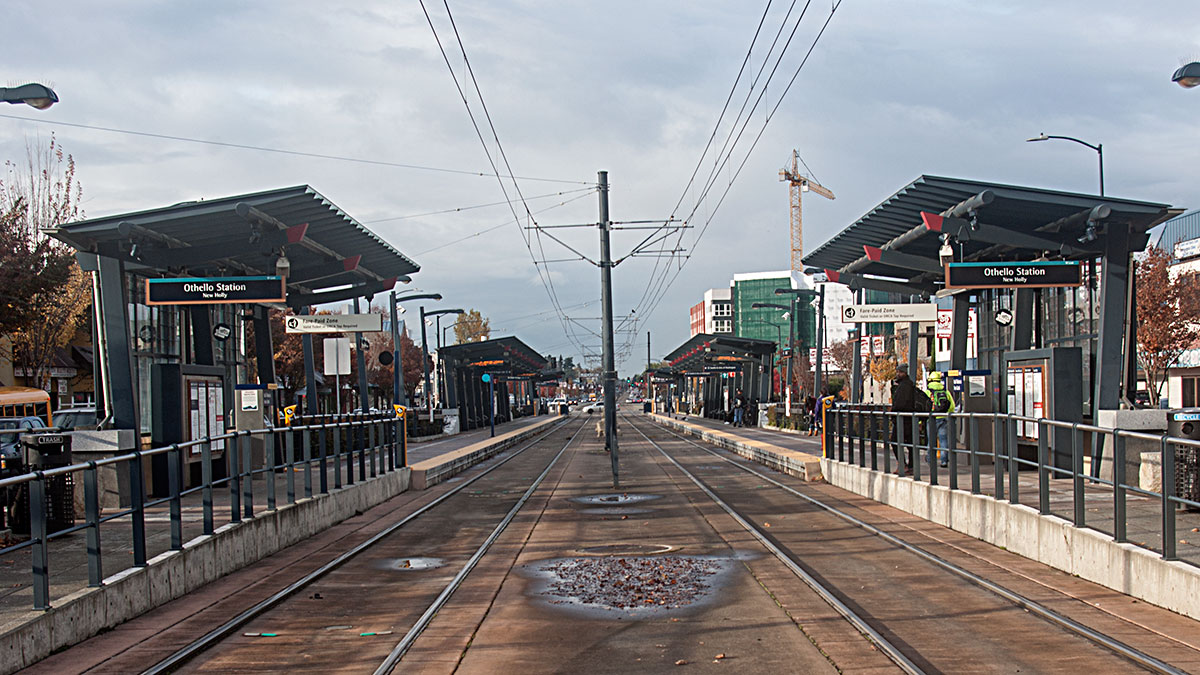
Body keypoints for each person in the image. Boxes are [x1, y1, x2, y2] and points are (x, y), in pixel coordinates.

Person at [891, 364, 920, 475]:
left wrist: (893, 413)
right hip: (909, 418)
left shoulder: (904, 387)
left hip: (903, 419)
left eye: (899, 372)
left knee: (895, 441)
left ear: (904, 373)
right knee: (910, 443)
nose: (897, 374)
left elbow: (900, 404)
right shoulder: (909, 385)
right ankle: (911, 466)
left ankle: (903, 465)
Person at [926, 371, 956, 467]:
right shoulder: (945, 391)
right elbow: (952, 405)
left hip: (931, 418)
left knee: (931, 440)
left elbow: (923, 406)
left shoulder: (927, 392)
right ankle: (944, 461)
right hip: (943, 418)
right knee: (943, 440)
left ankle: (931, 460)